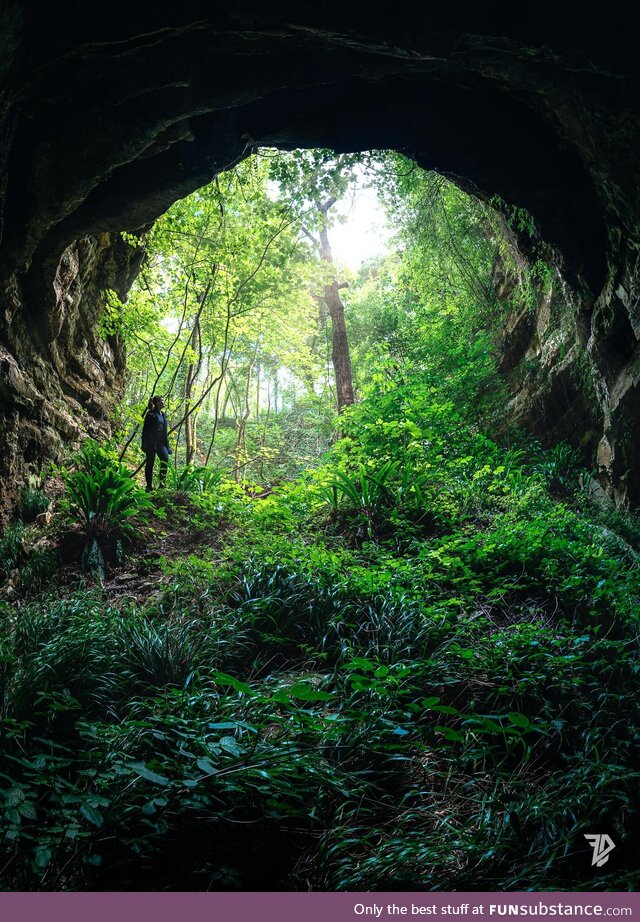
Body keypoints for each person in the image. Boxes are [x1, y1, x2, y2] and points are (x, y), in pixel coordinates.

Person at [141, 395, 171, 491]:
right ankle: (149, 486)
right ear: (157, 402)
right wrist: (144, 444)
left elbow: (165, 432)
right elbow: (145, 430)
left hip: (161, 443)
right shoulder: (150, 414)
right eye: (161, 401)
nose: (163, 402)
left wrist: (168, 447)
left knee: (165, 459)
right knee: (150, 463)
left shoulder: (163, 415)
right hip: (151, 443)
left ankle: (162, 484)